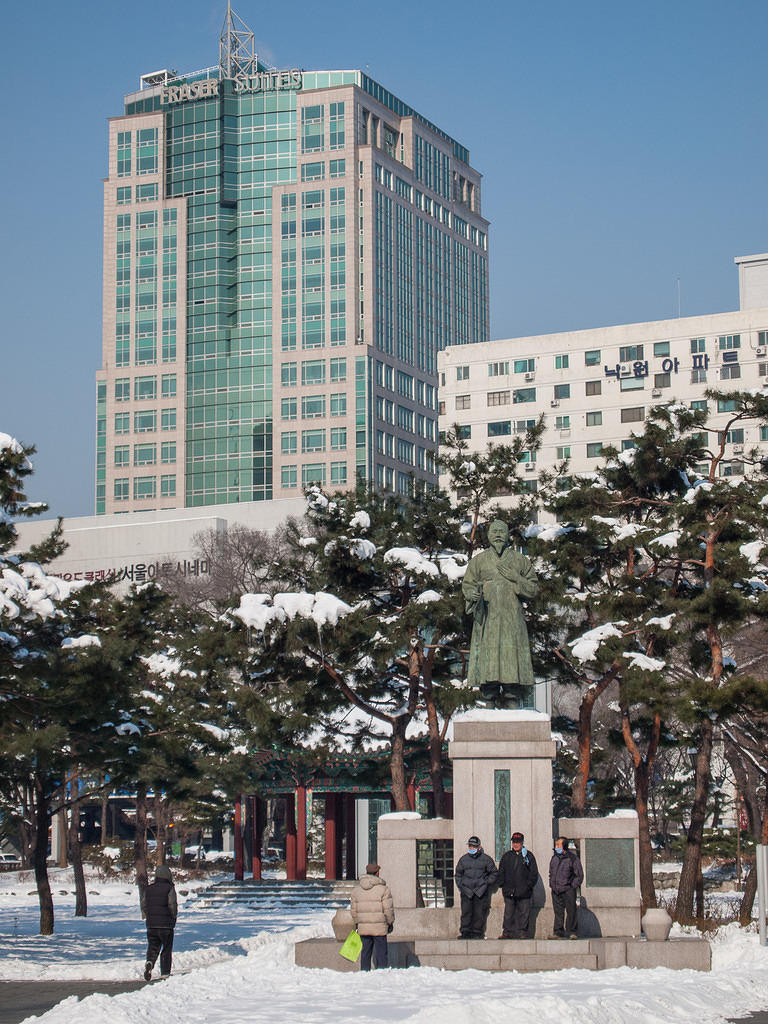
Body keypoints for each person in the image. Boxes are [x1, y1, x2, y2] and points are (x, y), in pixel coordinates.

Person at [462, 519, 538, 707]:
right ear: (488, 536)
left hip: (512, 621)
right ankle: (489, 699)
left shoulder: (520, 560)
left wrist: (515, 578)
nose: (497, 534)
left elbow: (533, 588)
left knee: (511, 661)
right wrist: (472, 594)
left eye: (501, 532)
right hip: (488, 621)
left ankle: (512, 698)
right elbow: (468, 585)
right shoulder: (479, 561)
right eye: (494, 531)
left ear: (507, 536)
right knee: (489, 665)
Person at [350, 862, 395, 971]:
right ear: (377, 872)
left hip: (363, 927)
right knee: (381, 953)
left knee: (365, 952)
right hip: (379, 927)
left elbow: (354, 911)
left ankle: (364, 972)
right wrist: (390, 922)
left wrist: (357, 923)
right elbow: (388, 909)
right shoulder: (384, 890)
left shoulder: (356, 891)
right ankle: (382, 973)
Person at [454, 835, 498, 939]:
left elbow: (494, 873)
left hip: (480, 891)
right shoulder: (463, 859)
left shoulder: (486, 859)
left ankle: (477, 932)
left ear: (479, 847)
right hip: (466, 891)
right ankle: (465, 932)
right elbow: (458, 875)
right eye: (470, 846)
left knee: (479, 913)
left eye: (474, 846)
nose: (471, 848)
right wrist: (462, 886)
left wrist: (486, 884)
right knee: (466, 912)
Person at [497, 830, 539, 939]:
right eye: (514, 842)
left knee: (524, 913)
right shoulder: (507, 856)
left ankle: (522, 932)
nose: (515, 844)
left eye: (518, 842)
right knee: (508, 913)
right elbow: (501, 872)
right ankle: (507, 932)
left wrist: (528, 886)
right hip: (509, 890)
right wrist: (502, 884)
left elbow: (533, 874)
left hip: (524, 891)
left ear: (522, 843)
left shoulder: (529, 856)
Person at [142, 864, 177, 980]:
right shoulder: (169, 888)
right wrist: (173, 918)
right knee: (166, 949)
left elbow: (144, 905)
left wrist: (148, 917)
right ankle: (165, 974)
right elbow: (172, 905)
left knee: (153, 946)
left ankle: (150, 962)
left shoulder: (148, 889)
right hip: (166, 925)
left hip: (151, 924)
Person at [549, 836, 583, 939]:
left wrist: (572, 886)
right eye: (556, 845)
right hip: (556, 889)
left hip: (568, 889)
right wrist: (552, 883)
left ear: (564, 846)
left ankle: (572, 931)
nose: (556, 846)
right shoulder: (554, 858)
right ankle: (558, 931)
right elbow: (551, 872)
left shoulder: (572, 858)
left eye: (558, 845)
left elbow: (579, 875)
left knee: (571, 911)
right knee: (558, 912)